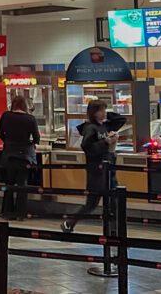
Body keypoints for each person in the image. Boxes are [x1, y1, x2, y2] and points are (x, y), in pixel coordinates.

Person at [61, 100, 126, 233]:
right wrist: (106, 142)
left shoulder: (104, 126)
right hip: (96, 170)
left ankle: (114, 231)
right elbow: (87, 147)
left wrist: (108, 115)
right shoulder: (91, 128)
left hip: (108, 167)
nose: (103, 113)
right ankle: (69, 223)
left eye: (104, 110)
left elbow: (121, 119)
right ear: (94, 113)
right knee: (92, 203)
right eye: (100, 110)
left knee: (113, 201)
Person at [0, 95, 39, 220]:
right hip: (24, 157)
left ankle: (7, 212)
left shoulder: (6, 116)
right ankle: (20, 214)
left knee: (8, 185)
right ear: (25, 105)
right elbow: (36, 138)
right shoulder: (30, 119)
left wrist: (8, 142)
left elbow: (0, 133)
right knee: (22, 186)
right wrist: (28, 143)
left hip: (8, 155)